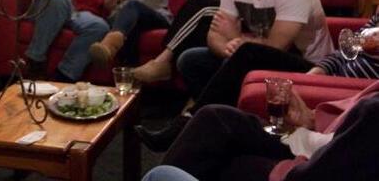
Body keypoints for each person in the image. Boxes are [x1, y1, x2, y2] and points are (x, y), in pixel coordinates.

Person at [137, 0, 334, 151]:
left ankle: (188, 123)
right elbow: (214, 35)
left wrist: (237, 39)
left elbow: (276, 47)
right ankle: (218, 123)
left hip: (312, 68)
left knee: (246, 53)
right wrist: (228, 45)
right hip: (255, 55)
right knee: (190, 60)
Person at [161, 81, 379, 181]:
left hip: (320, 159)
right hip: (320, 139)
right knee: (216, 118)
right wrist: (312, 120)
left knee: (229, 161)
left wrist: (285, 170)